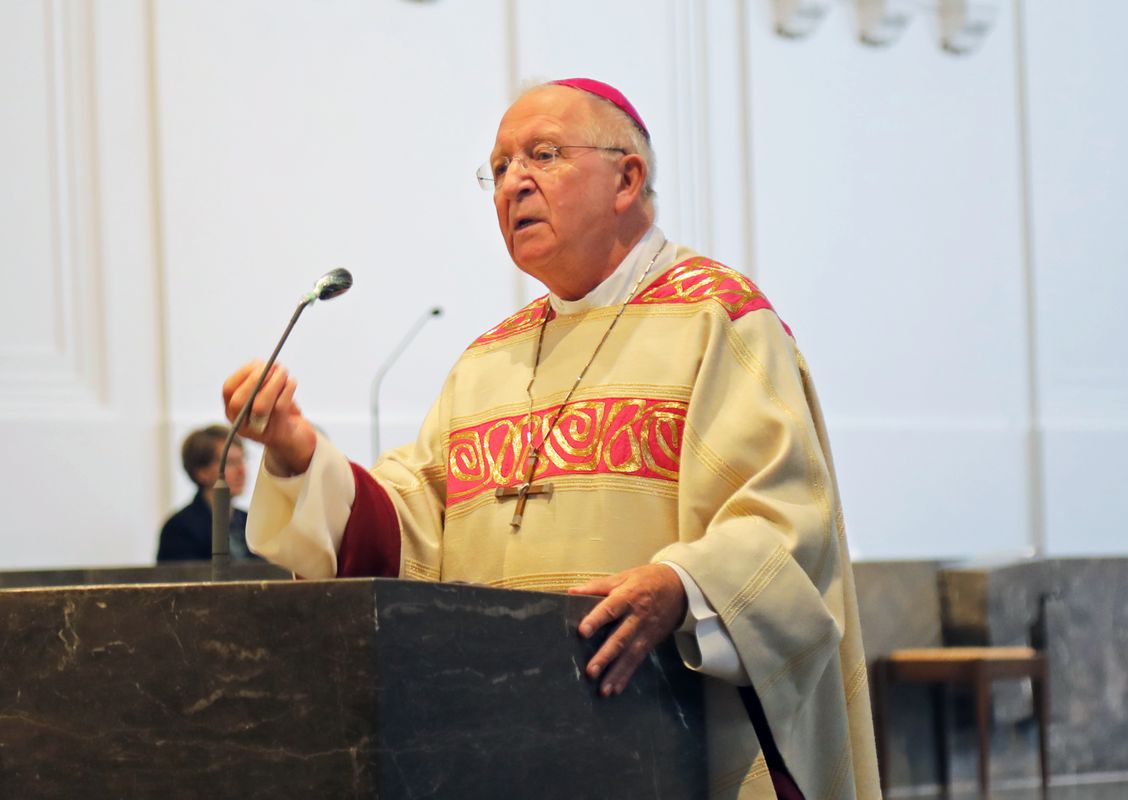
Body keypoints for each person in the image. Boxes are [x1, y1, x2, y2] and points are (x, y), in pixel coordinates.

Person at [222, 78, 879, 800]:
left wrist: (680, 586)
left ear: (627, 178)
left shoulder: (719, 321)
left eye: (543, 155)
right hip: (509, 744)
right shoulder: (488, 361)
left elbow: (789, 525)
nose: (514, 184)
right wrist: (296, 451)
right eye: (499, 168)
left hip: (668, 740)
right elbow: (409, 526)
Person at [156, 424, 258, 562]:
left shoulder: (249, 522)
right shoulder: (180, 529)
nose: (242, 471)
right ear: (201, 472)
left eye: (242, 460)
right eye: (230, 462)